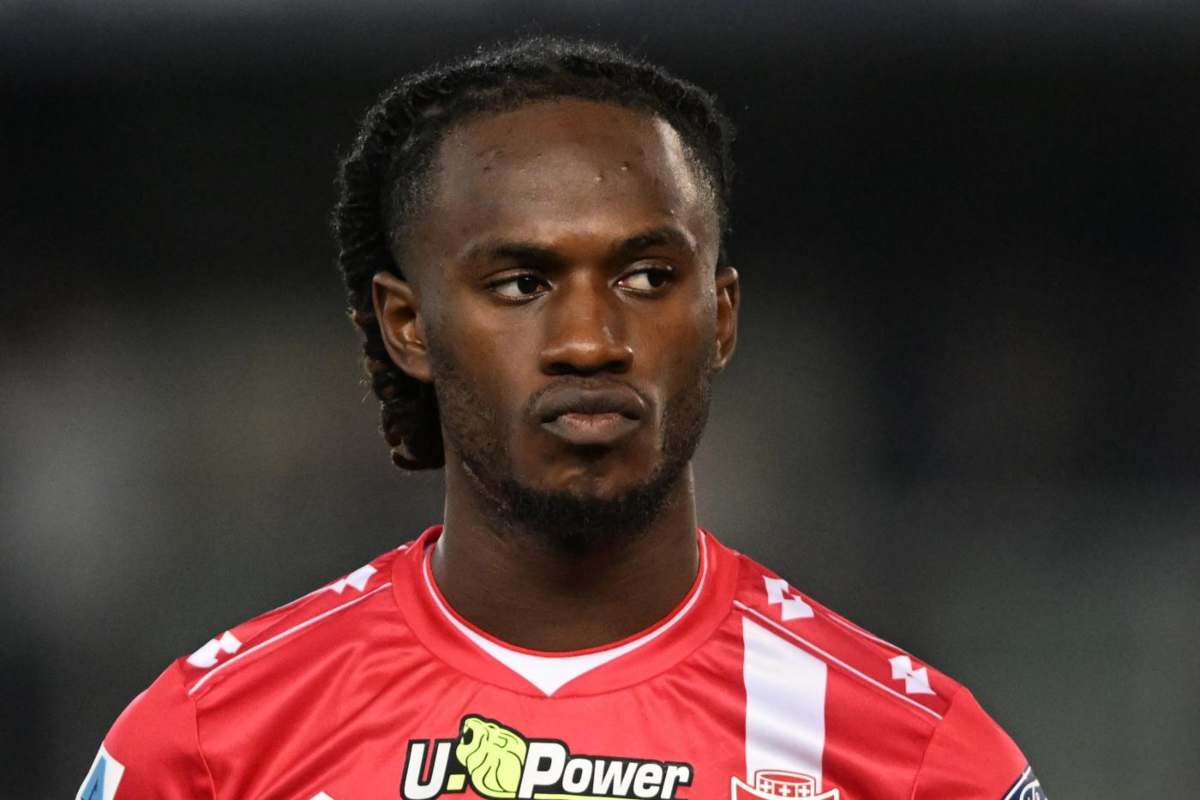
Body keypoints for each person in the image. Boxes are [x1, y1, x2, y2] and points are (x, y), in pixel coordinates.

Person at [77, 37, 1045, 800]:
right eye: (521, 282)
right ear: (408, 326)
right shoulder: (206, 749)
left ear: (720, 318)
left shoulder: (920, 762)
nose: (589, 341)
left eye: (647, 277)